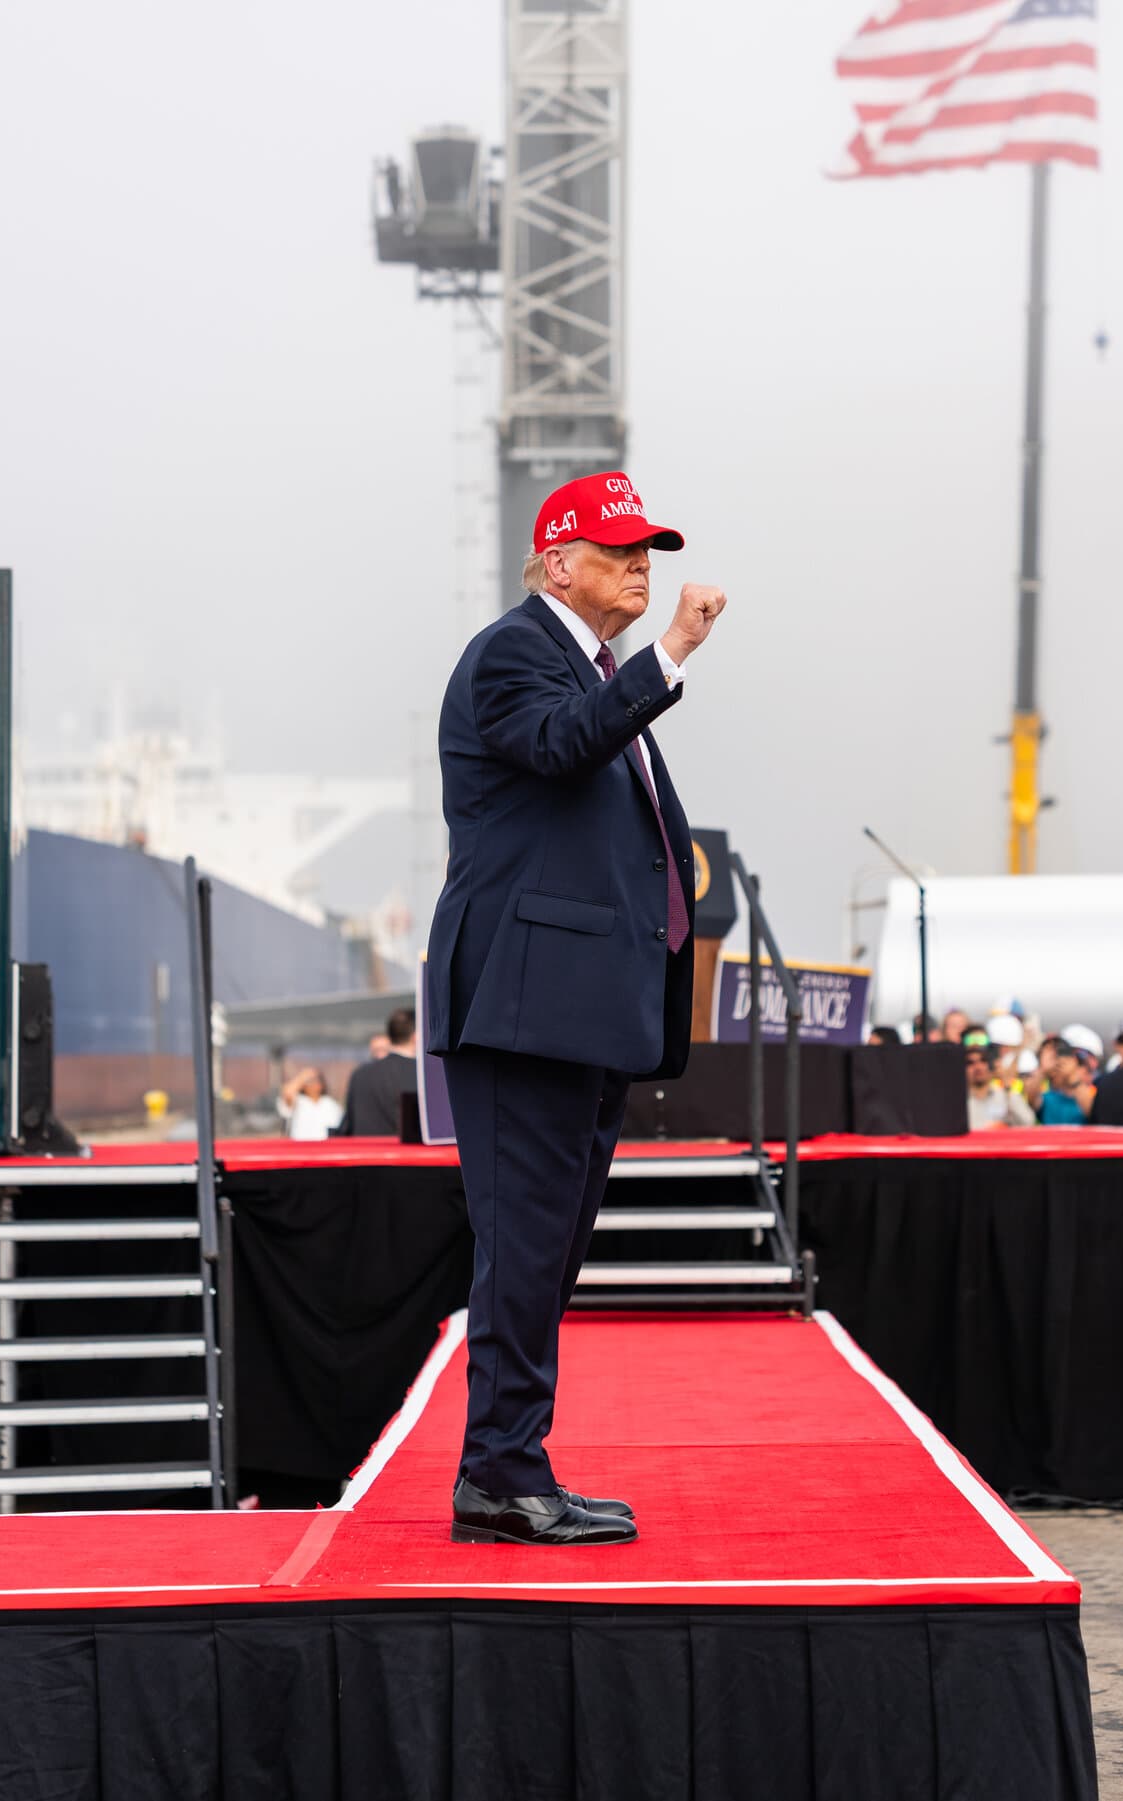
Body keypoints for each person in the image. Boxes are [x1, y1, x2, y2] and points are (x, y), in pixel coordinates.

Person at [425, 469, 720, 1549]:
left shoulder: (582, 670)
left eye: (649, 546)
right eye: (618, 547)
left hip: (571, 1012)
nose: (643, 563)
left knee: (546, 1252)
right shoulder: (516, 653)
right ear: (558, 562)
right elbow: (559, 745)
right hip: (522, 1008)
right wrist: (670, 657)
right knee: (525, 1247)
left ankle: (513, 1463)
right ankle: (499, 1473)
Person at [335, 1008, 420, 1136]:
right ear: (415, 1037)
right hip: (408, 1154)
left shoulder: (360, 1074)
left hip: (367, 1152)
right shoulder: (423, 1076)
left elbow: (348, 1125)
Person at [966, 1040, 1034, 1128]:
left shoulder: (1005, 1094)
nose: (978, 1067)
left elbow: (1028, 1122)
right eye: (970, 1063)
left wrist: (1007, 1090)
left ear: (991, 1066)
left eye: (983, 1061)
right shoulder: (957, 1101)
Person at [1037, 1036, 1094, 1125]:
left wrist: (1072, 1076)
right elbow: (1032, 1098)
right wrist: (1043, 1069)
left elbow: (1092, 1111)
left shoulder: (1090, 1092)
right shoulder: (1047, 1097)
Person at [279, 1065, 343, 1140]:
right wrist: (303, 1077)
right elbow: (288, 1093)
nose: (313, 1084)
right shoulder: (299, 1101)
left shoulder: (330, 1104)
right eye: (310, 1081)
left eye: (316, 1080)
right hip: (301, 1147)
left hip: (325, 1147)